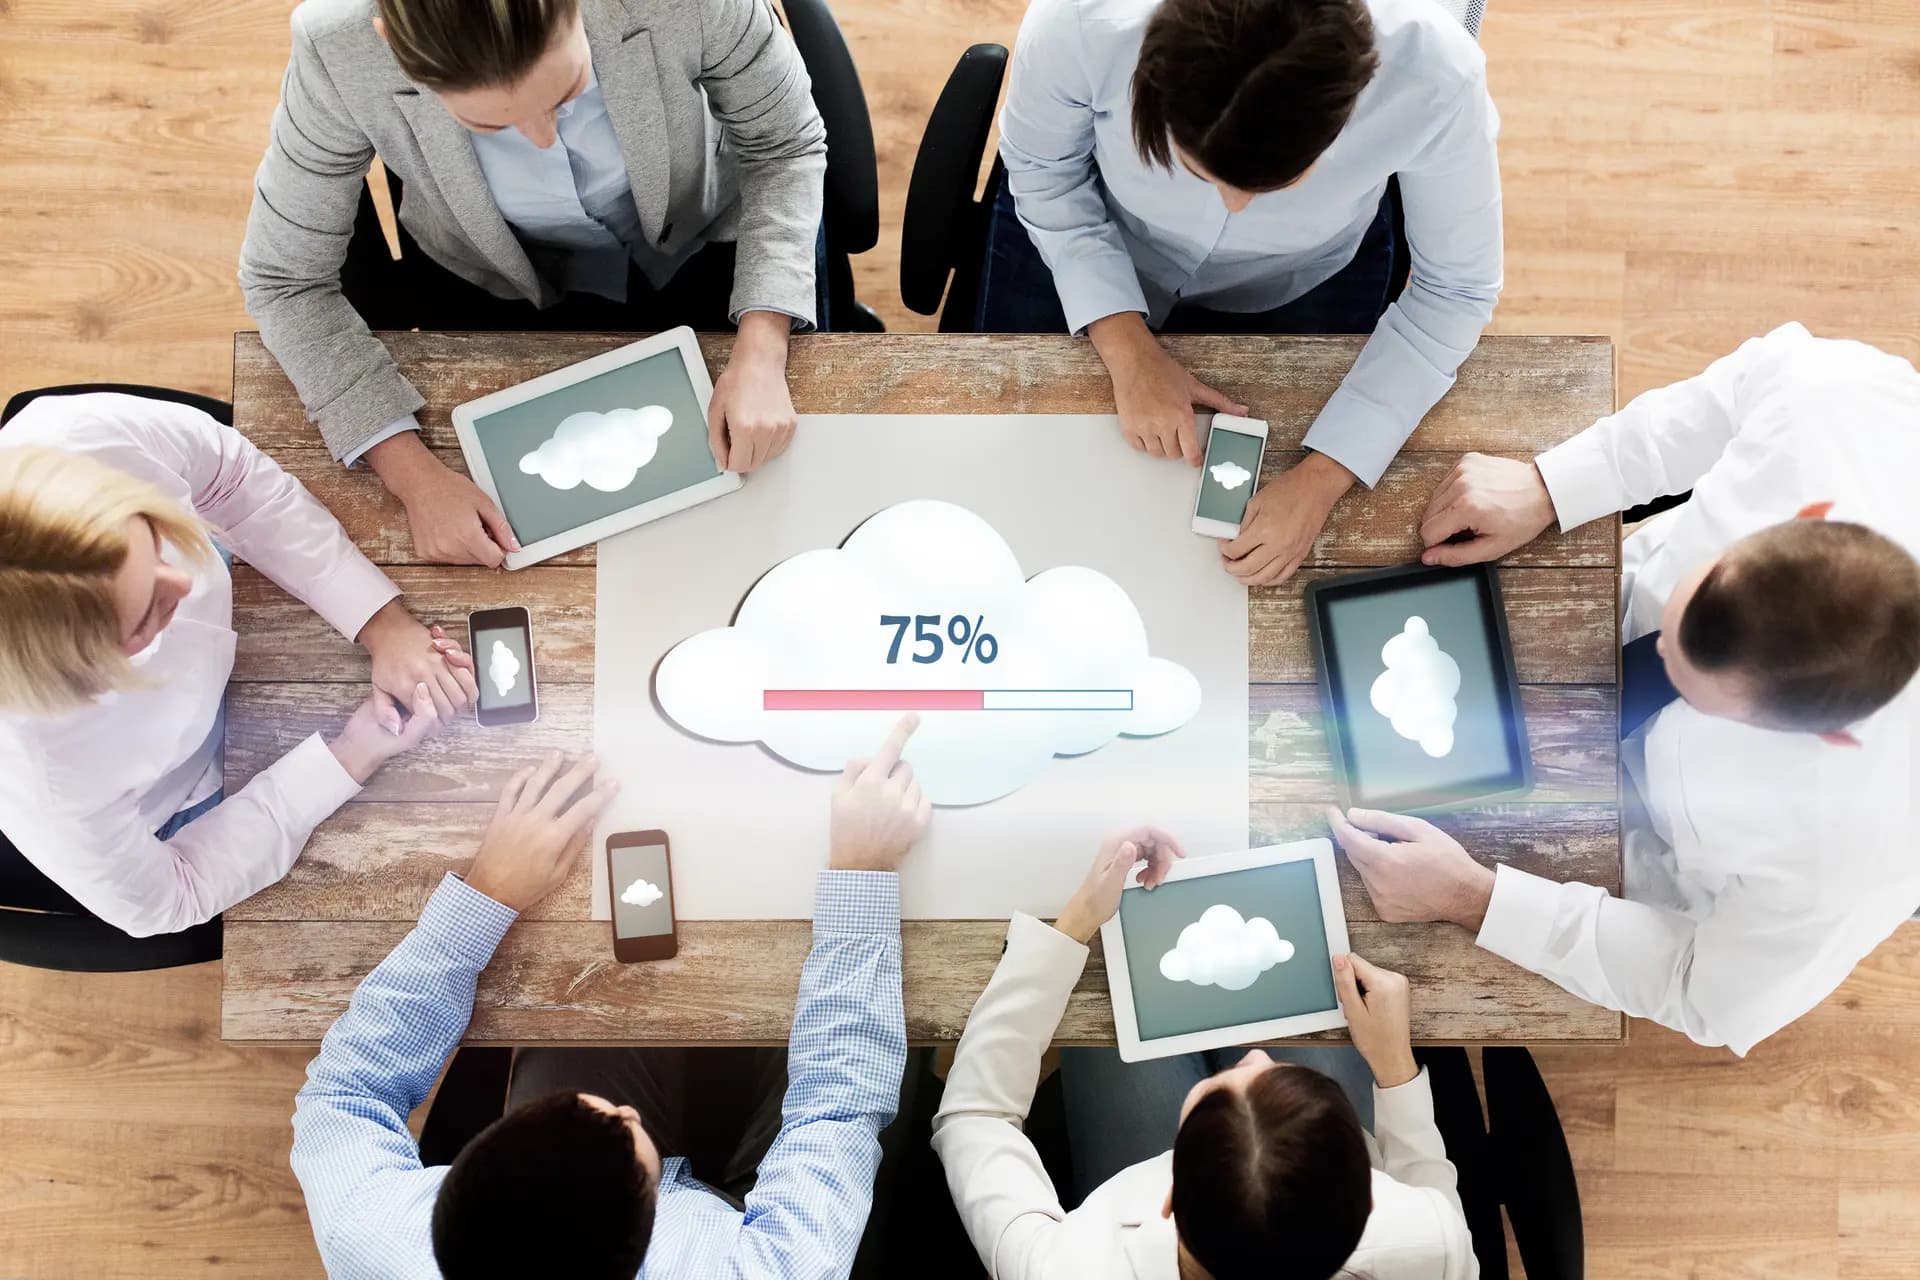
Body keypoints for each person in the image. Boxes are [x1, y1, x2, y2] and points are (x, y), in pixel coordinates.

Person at [1330, 322, 1920, 1056]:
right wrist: (1554, 485)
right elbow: (1716, 405)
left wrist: (1473, 899)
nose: (1663, 653)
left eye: (1694, 689)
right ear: (1801, 518)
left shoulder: (1858, 852)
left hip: (1646, 859)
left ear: (1828, 734)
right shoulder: (1833, 401)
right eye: (1681, 618)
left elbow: (1702, 992)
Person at [290, 716, 930, 1278]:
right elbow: (836, 1107)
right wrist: (862, 871)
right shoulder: (773, 1270)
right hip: (740, 1230)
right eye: (624, 1126)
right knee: (885, 1062)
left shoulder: (373, 1234)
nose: (622, 1110)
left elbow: (344, 1094)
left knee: (593, 998)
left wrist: (486, 891)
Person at [240, 0, 827, 566]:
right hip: (491, 282)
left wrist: (761, 349)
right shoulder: (334, 45)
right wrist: (413, 479)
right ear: (392, 46)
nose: (542, 139)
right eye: (489, 123)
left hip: (699, 245)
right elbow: (283, 280)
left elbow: (785, 143)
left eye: (566, 94)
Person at [989, 0, 1502, 586]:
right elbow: (1041, 169)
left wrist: (1325, 476)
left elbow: (1456, 289)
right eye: (1199, 170)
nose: (1233, 205)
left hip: (1311, 272)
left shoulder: (1435, 71)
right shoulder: (1081, 18)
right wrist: (1124, 343)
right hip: (1092, 223)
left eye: (1275, 184)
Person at [0, 392, 466, 937]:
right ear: (77, 673)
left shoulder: (74, 435)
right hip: (184, 792)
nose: (184, 580)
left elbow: (231, 478)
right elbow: (171, 896)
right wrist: (351, 753)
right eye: (144, 617)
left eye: (150, 539)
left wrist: (380, 624)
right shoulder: (46, 779)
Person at [932, 832, 1477, 1278]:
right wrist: (1395, 1069)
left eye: (1214, 1096)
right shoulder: (1431, 1242)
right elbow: (1430, 1192)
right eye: (1267, 1072)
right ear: (1371, 1200)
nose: (1257, 1055)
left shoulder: (1069, 1267)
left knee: (1113, 1008)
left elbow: (974, 1118)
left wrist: (1072, 925)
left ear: (1167, 1197)